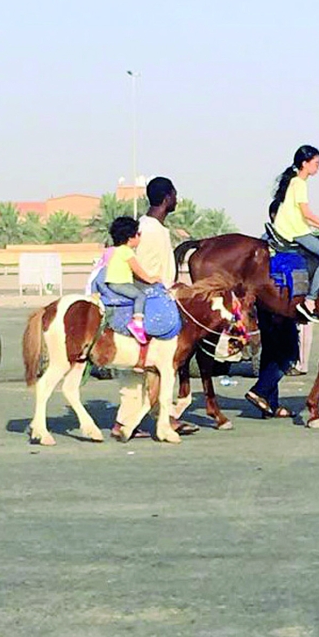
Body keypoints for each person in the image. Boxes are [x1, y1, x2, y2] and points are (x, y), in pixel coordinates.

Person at [111, 177, 199, 440]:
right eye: (174, 195)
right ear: (167, 197)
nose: (176, 199)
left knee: (154, 366)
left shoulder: (156, 228)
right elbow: (137, 269)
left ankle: (163, 416)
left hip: (157, 301)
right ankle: (127, 423)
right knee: (139, 368)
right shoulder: (148, 230)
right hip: (148, 304)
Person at [270, 145, 319, 320]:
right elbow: (306, 213)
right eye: (316, 163)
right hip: (294, 231)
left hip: (294, 227)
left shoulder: (294, 181)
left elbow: (303, 215)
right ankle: (310, 299)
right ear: (305, 163)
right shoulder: (299, 183)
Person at [104, 216, 160, 345]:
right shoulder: (127, 252)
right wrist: (150, 279)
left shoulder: (117, 250)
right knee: (140, 296)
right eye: (138, 234)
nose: (140, 237)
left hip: (114, 283)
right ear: (130, 238)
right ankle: (137, 323)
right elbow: (137, 271)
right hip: (119, 283)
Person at [245, 309, 298, 419]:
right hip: (278, 307)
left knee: (270, 352)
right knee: (289, 353)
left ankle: (271, 404)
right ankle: (259, 391)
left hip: (266, 307)